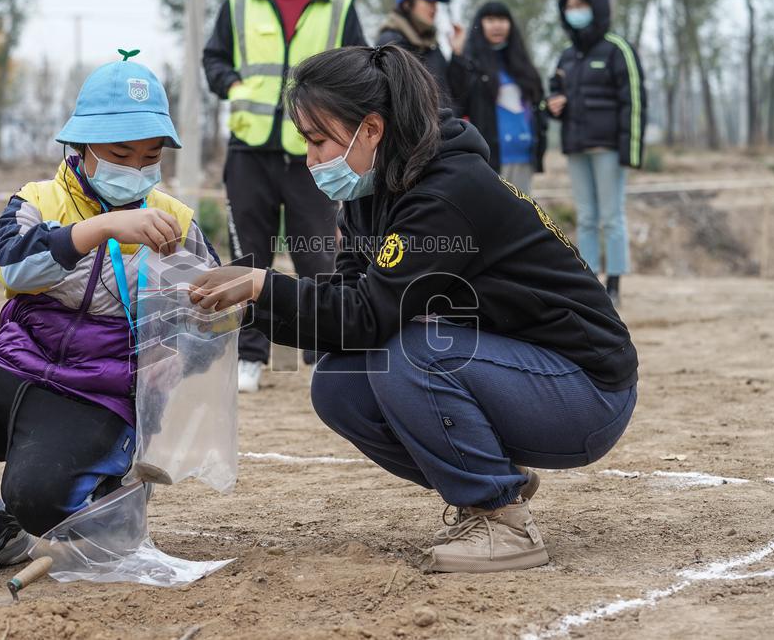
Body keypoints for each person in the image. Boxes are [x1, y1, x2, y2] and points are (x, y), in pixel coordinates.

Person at [189, 45, 638, 573]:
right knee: (338, 383)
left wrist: (264, 285)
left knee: (413, 352)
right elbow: (346, 312)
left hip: (587, 393)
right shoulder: (371, 191)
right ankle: (492, 483)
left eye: (318, 140)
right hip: (518, 373)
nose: (310, 159)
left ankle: (503, 522)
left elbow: (367, 315)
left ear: (371, 130)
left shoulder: (446, 193)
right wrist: (249, 306)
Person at [0, 50, 220, 581]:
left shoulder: (178, 222)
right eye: (121, 153)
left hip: (99, 399)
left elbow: (213, 318)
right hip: (13, 375)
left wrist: (181, 356)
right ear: (81, 146)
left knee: (38, 499)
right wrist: (98, 230)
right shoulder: (36, 201)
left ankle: (109, 488)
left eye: (150, 157)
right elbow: (12, 266)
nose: (137, 169)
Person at [202, 0, 367, 393]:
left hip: (314, 149)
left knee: (317, 253)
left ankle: (323, 349)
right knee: (248, 255)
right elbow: (213, 58)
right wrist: (232, 84)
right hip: (249, 149)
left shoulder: (340, 5)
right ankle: (249, 355)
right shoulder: (238, 2)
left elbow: (360, 66)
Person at [548, 0, 646, 306]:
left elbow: (634, 100)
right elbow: (553, 95)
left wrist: (631, 151)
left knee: (611, 216)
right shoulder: (566, 56)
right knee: (587, 217)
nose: (575, 11)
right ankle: (590, 283)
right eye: (569, 6)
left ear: (597, 7)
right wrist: (553, 105)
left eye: (581, 5)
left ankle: (614, 283)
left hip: (608, 148)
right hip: (576, 147)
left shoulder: (618, 49)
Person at [456, 1, 546, 193]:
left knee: (522, 210)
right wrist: (458, 58)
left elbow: (539, 107)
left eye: (502, 19)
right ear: (480, 24)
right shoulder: (470, 65)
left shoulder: (523, 65)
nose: (497, 25)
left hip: (523, 158)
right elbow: (456, 102)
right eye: (490, 19)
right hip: (488, 160)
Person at [376, 0, 466, 112]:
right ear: (407, 4)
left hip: (446, 124)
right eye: (428, 1)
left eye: (435, 3)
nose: (434, 8)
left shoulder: (431, 45)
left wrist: (457, 53)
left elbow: (453, 94)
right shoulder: (391, 43)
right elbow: (402, 104)